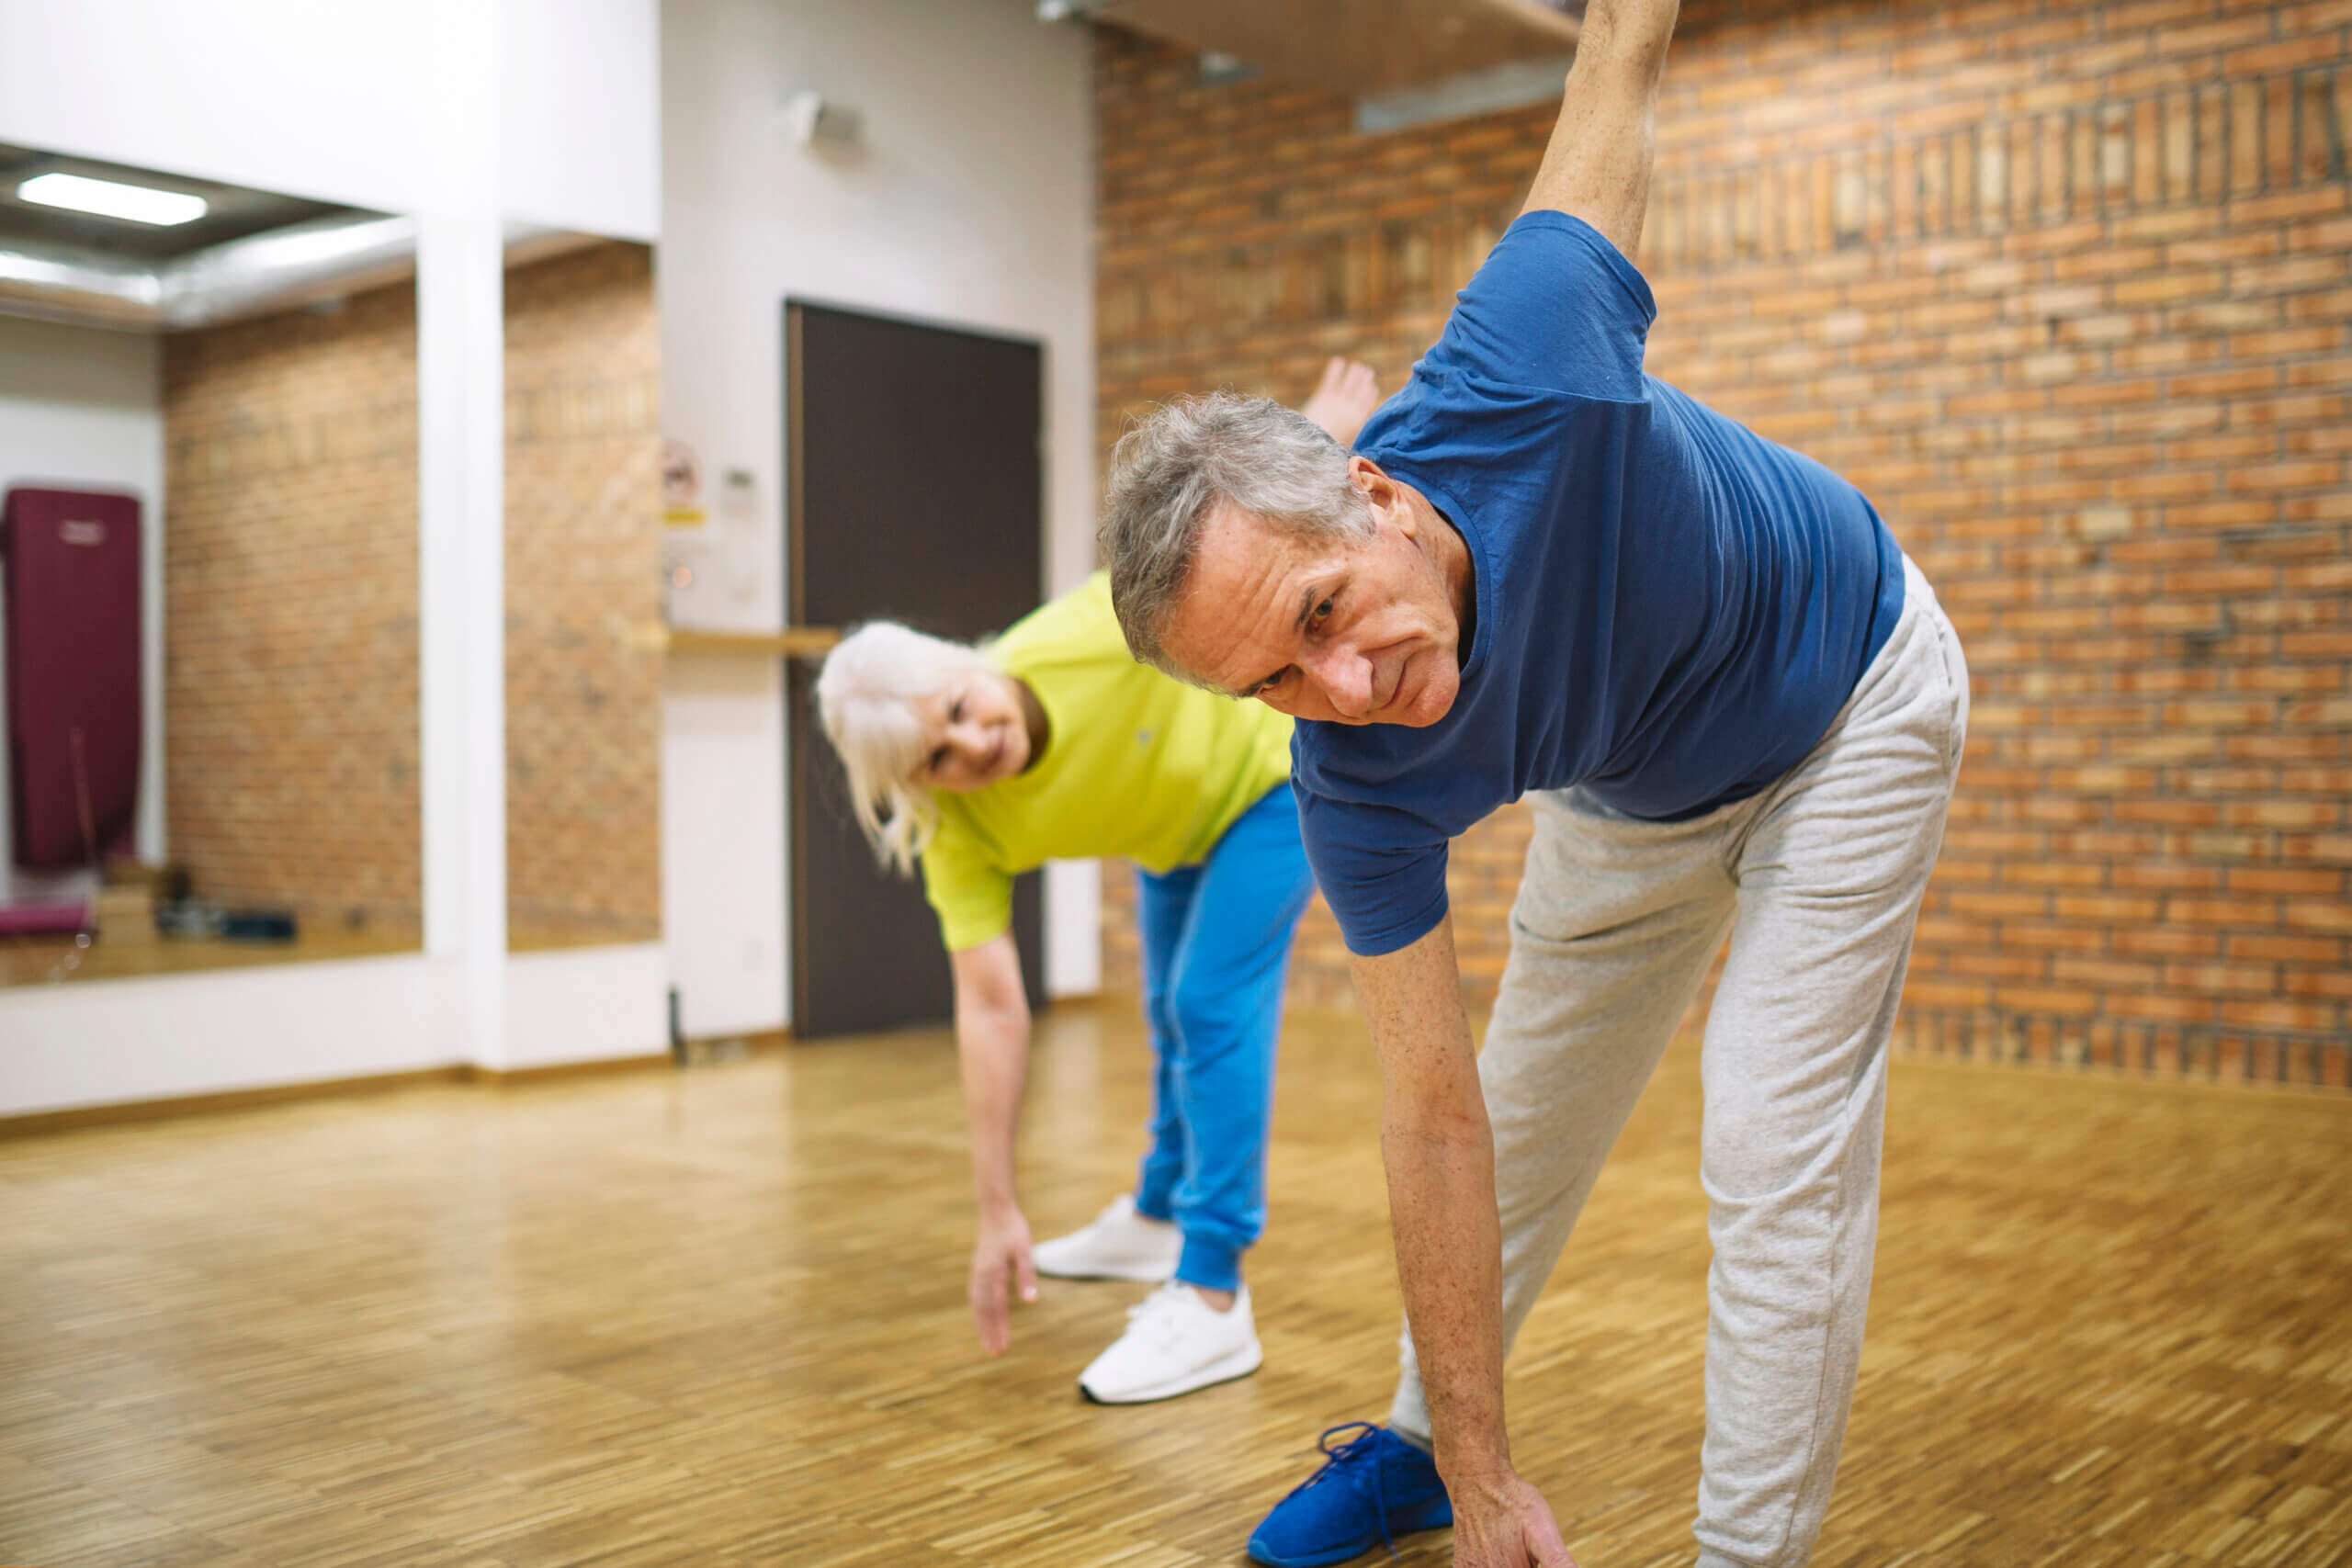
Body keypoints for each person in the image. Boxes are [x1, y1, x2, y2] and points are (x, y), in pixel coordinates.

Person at [1096, 3, 1967, 1562]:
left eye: (1320, 616)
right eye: (1277, 683)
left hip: (1850, 696)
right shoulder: (1347, 777)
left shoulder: (1537, 352)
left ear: (1369, 492)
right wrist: (1501, 1478)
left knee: (1770, 1141)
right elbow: (1431, 1123)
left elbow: (1619, 46)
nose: (1345, 691)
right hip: (1634, 789)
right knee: (1508, 1112)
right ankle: (1434, 1453)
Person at [814, 359, 1382, 1404]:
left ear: (966, 661)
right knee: (1167, 1007)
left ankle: (1212, 1294)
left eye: (957, 706)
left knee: (1209, 1002)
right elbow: (990, 1011)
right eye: (935, 756)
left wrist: (1315, 432)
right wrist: (997, 1210)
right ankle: (1157, 1212)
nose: (970, 743)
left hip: (1263, 790)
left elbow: (1223, 534)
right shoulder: (959, 832)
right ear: (916, 786)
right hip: (1170, 835)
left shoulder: (1085, 630)